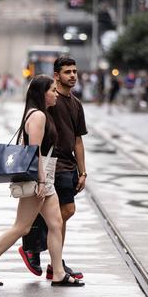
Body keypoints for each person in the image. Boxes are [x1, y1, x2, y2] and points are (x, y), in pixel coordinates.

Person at [0, 75, 84, 287]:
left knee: (55, 223)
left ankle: (59, 272)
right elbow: (34, 154)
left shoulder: (40, 114)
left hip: (45, 178)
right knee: (22, 227)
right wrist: (42, 183)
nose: (55, 94)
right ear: (42, 93)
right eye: (52, 90)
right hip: (39, 179)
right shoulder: (38, 117)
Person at [19, 57, 86, 281]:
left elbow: (78, 140)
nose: (73, 75)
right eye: (68, 72)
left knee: (63, 214)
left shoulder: (76, 104)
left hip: (68, 164)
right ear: (56, 75)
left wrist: (83, 171)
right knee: (57, 213)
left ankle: (51, 260)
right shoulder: (49, 100)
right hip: (50, 163)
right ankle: (39, 252)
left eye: (75, 71)